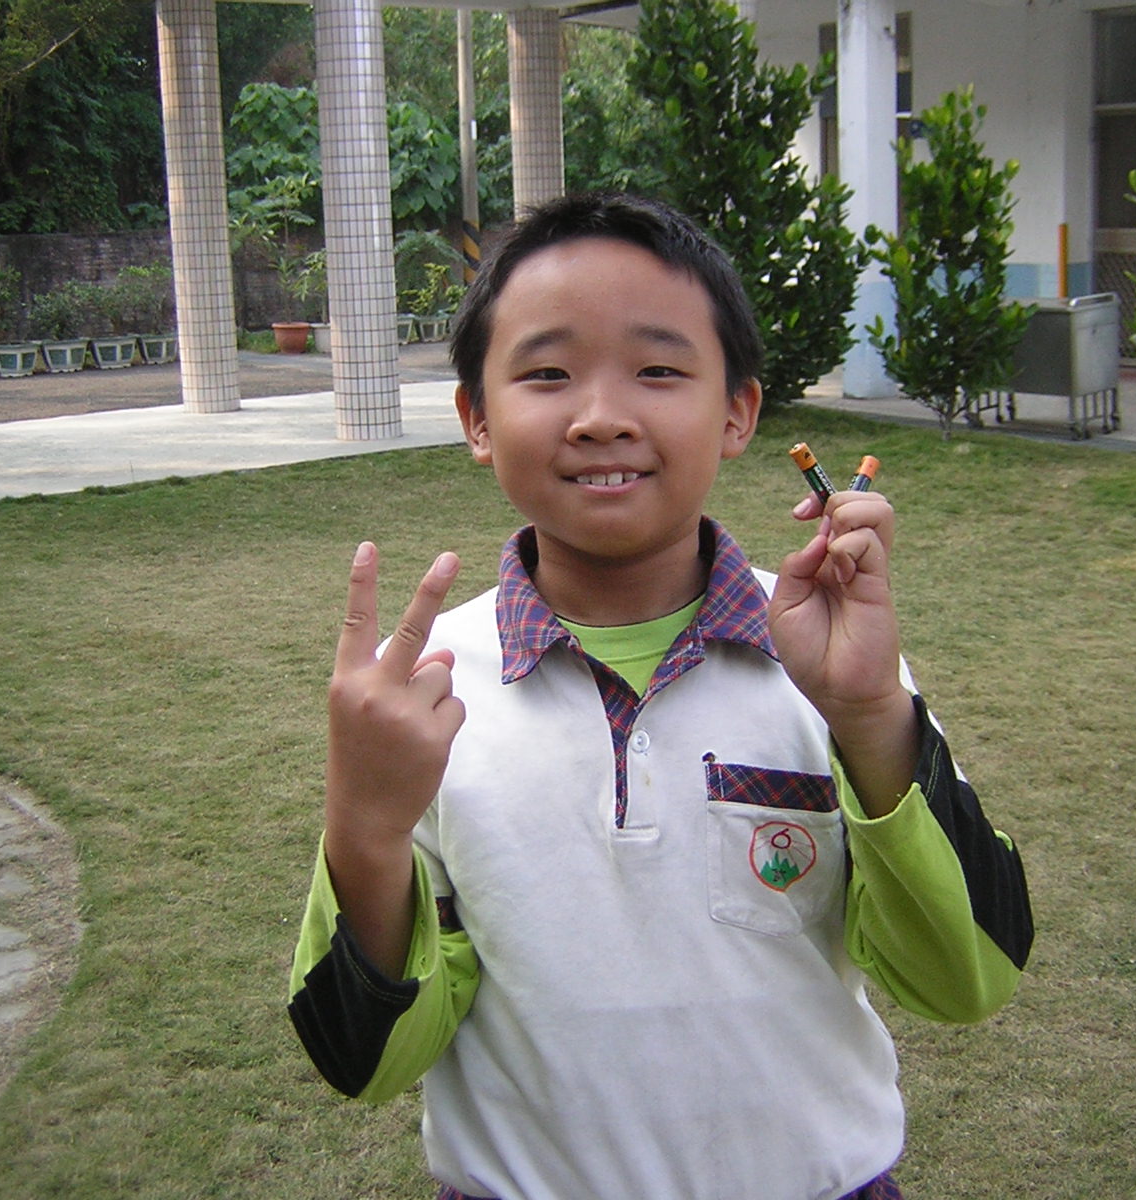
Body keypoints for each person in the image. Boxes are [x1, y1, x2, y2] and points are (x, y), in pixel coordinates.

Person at [288, 193, 1032, 1200]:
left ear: (737, 414)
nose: (601, 415)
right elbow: (366, 1059)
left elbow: (967, 979)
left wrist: (867, 718)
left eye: (659, 370)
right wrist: (365, 828)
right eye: (547, 373)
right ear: (476, 419)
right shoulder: (420, 696)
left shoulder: (827, 663)